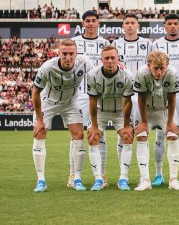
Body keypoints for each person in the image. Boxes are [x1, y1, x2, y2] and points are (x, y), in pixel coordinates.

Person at [32, 39, 93, 192]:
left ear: (76, 53)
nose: (68, 57)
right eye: (64, 54)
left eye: (71, 54)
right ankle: (41, 180)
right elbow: (35, 92)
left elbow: (98, 74)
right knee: (40, 133)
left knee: (79, 135)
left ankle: (76, 178)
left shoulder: (84, 62)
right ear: (59, 53)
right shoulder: (47, 67)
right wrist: (39, 120)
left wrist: (119, 65)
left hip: (71, 102)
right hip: (48, 102)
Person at [151, 13, 179, 186]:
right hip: (161, 94)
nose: (172, 26)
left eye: (175, 23)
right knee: (160, 136)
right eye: (169, 23)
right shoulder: (157, 44)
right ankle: (158, 174)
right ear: (164, 26)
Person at [133, 51, 179, 191]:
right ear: (149, 65)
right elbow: (141, 98)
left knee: (173, 136)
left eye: (162, 68)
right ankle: (145, 181)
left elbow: (172, 97)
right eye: (156, 68)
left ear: (167, 65)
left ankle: (173, 180)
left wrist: (170, 122)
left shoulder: (172, 73)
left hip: (165, 109)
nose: (159, 72)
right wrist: (143, 122)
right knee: (141, 136)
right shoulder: (142, 73)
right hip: (146, 110)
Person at [69, 10, 109, 188]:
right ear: (82, 23)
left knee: (100, 135)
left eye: (94, 20)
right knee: (76, 136)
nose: (91, 23)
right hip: (78, 95)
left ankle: (102, 174)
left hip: (99, 95)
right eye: (87, 21)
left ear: (98, 23)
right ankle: (73, 174)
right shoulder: (75, 43)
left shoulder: (105, 43)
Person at [87, 45, 134, 191]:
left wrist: (126, 125)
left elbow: (127, 102)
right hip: (100, 111)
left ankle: (123, 178)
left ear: (118, 59)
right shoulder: (93, 75)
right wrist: (94, 126)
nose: (110, 61)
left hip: (120, 111)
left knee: (127, 136)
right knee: (93, 137)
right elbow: (92, 102)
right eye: (106, 58)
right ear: (101, 60)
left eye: (113, 58)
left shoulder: (127, 75)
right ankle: (99, 179)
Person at [112, 13, 152, 185]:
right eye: (126, 23)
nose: (129, 25)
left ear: (138, 26)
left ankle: (147, 175)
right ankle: (123, 174)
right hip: (124, 95)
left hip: (143, 94)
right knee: (124, 134)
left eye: (132, 23)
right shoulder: (116, 44)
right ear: (123, 26)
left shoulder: (147, 44)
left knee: (143, 133)